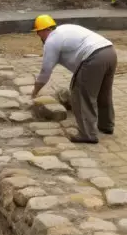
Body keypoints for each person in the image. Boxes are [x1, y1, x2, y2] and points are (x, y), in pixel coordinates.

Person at [30, 16, 117, 144]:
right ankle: (106, 125)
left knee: (80, 95)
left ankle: (87, 134)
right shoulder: (65, 29)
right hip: (109, 52)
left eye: (38, 32)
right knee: (103, 93)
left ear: (45, 30)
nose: (39, 36)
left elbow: (45, 71)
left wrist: (35, 90)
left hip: (93, 58)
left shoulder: (51, 41)